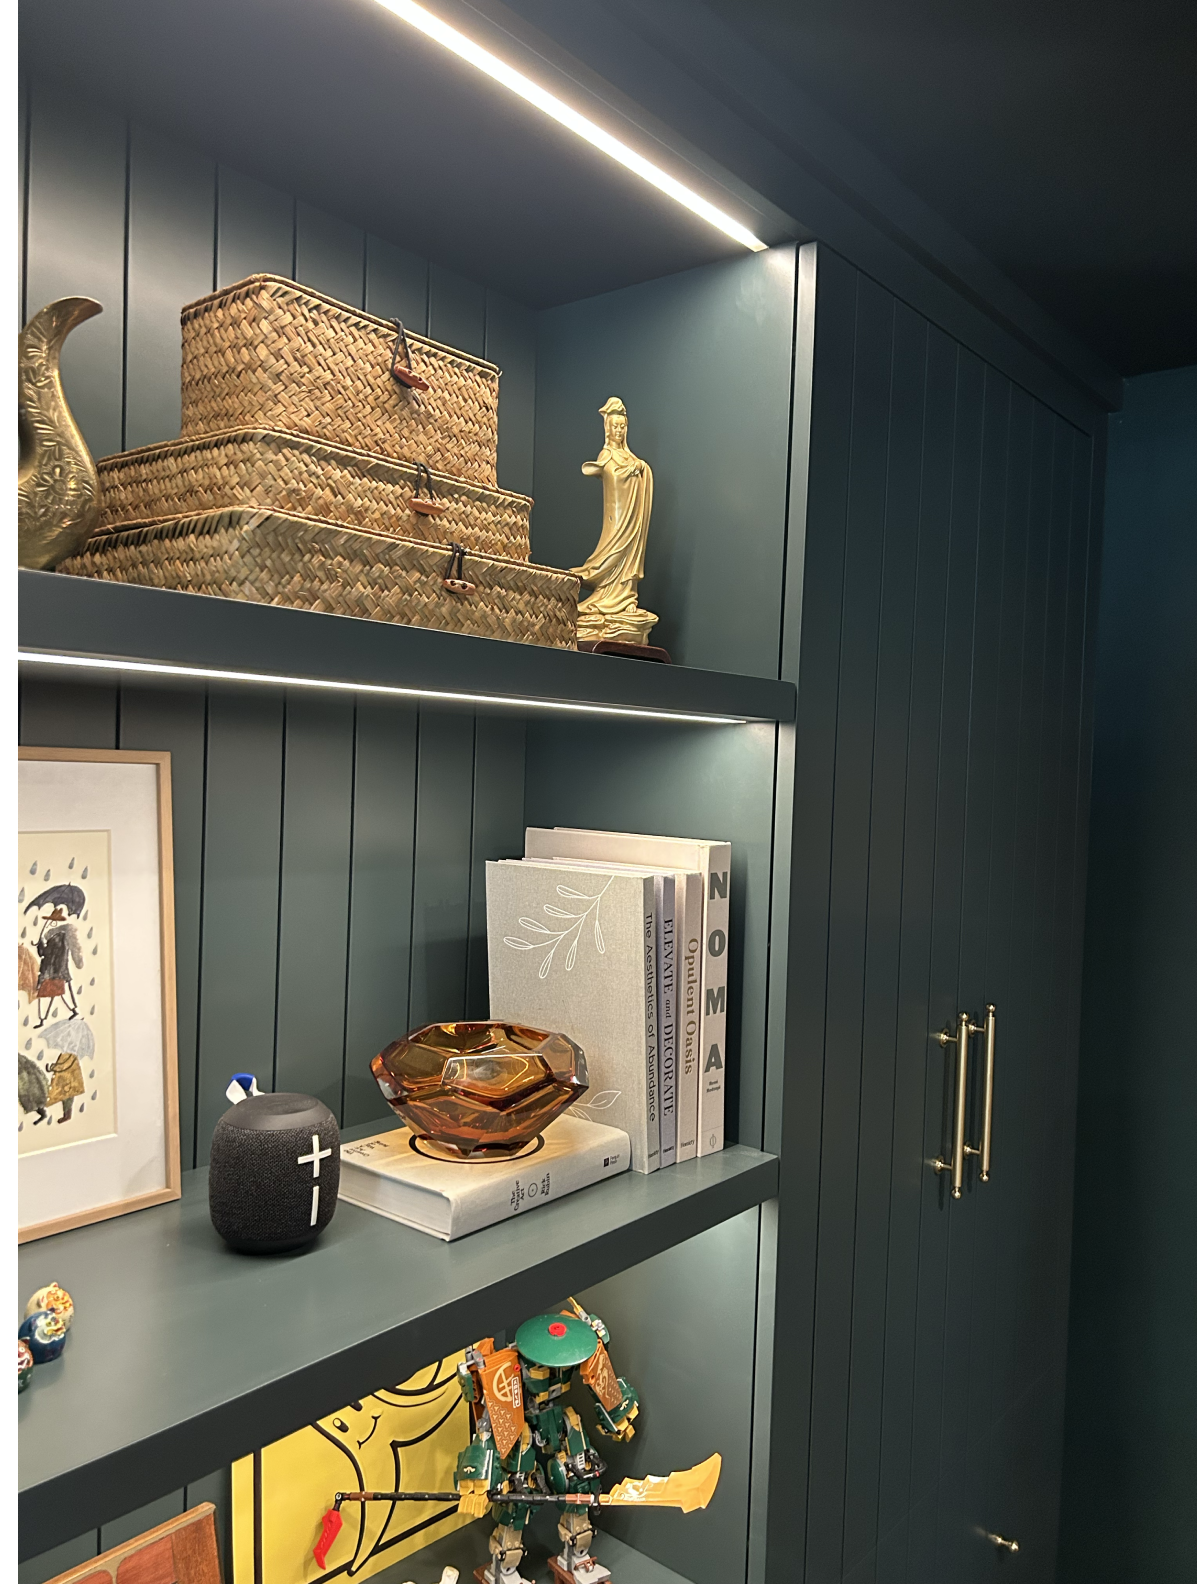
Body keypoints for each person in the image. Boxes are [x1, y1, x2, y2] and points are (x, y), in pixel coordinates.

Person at [572, 398, 659, 645]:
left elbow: (638, 471)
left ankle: (625, 599)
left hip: (632, 515)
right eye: (615, 426)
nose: (619, 431)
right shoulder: (607, 454)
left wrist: (640, 469)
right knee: (613, 551)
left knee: (630, 554)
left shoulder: (630, 457)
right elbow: (610, 474)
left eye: (623, 426)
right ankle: (606, 600)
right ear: (607, 428)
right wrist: (628, 472)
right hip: (618, 518)